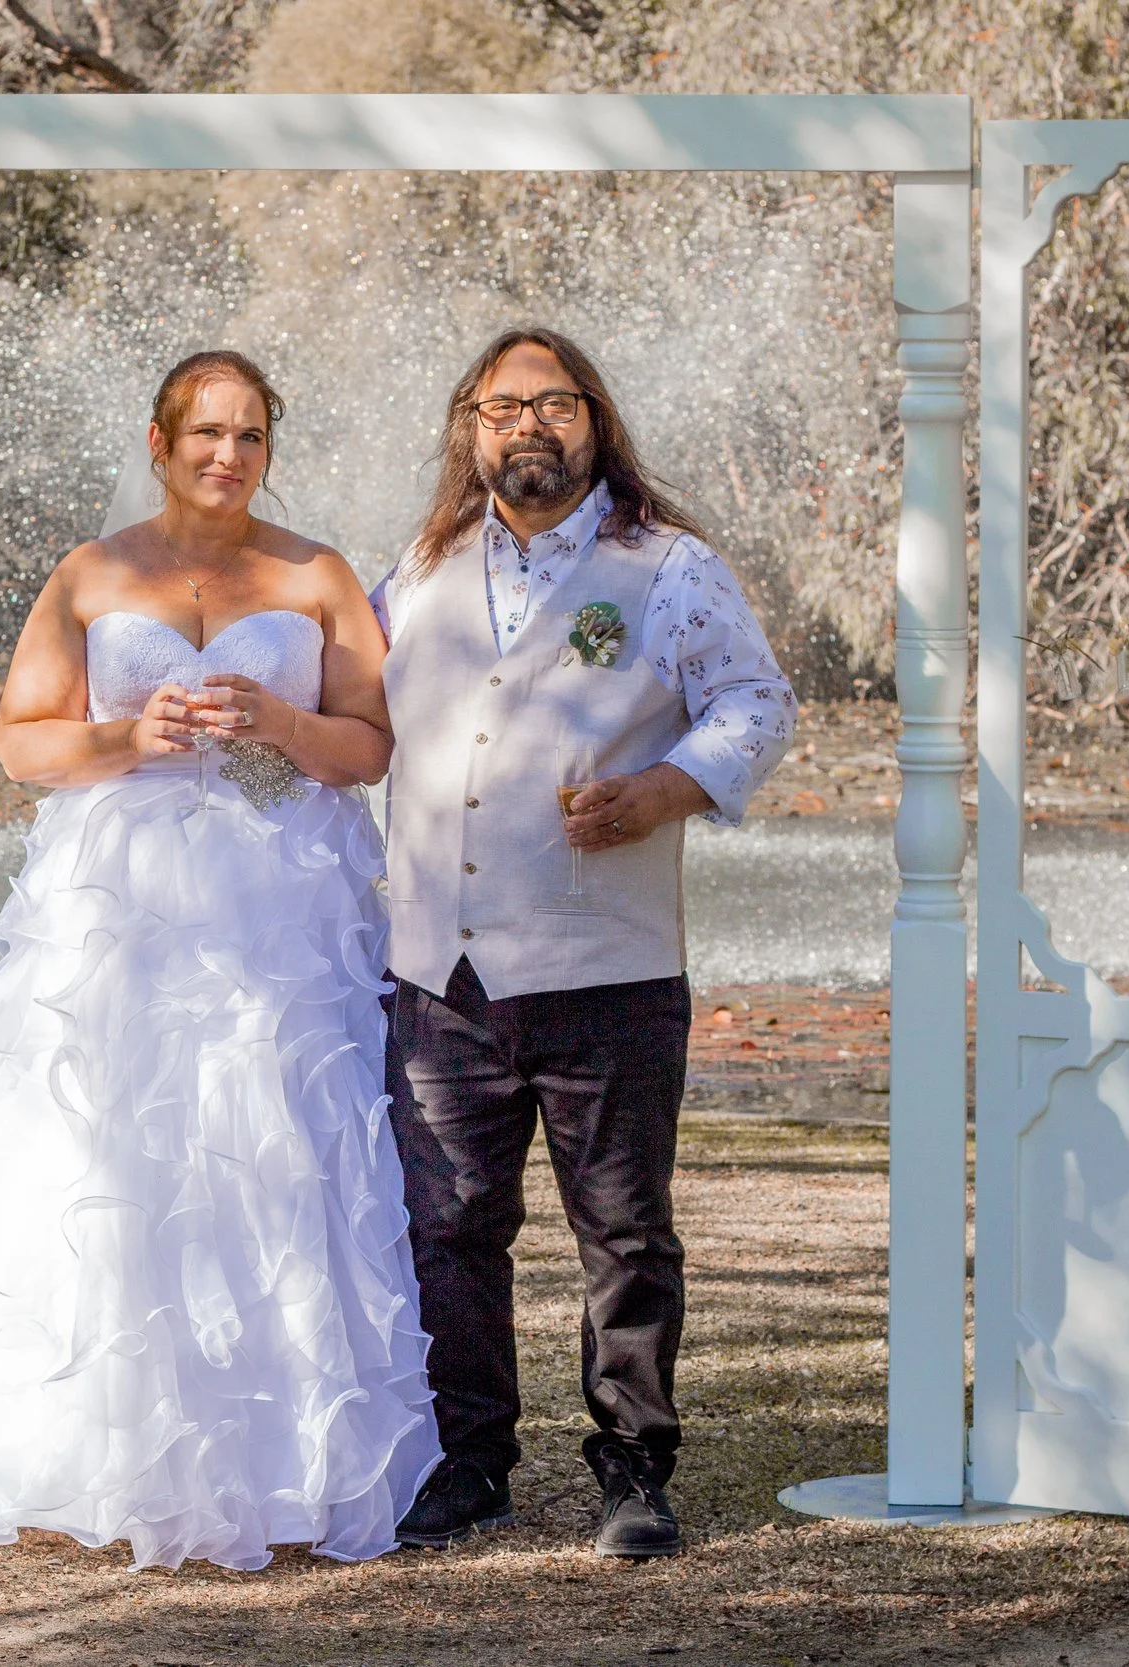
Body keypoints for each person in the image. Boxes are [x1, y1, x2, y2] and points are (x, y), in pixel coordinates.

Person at [0, 350, 441, 1572]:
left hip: (281, 917)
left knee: (268, 1147)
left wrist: (280, 722)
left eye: (251, 434)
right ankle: (84, 1447)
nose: (228, 453)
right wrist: (127, 732)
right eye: (205, 431)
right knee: (106, 1147)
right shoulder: (92, 572)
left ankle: (282, 1461)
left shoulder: (316, 574)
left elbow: (370, 747)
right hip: (119, 910)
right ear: (158, 442)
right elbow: (17, 741)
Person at [376, 328, 797, 1559]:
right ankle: (467, 1462)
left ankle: (632, 1467)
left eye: (553, 403)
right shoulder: (415, 567)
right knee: (447, 1224)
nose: (527, 426)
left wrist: (669, 787)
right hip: (437, 971)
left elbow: (757, 703)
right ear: (470, 431)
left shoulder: (666, 568)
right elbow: (342, 697)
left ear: (594, 424)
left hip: (603, 966)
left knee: (621, 1226)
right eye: (501, 407)